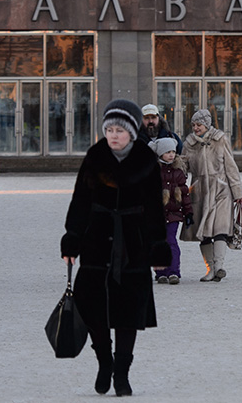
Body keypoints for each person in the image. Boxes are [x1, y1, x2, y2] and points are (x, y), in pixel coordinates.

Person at [61, 99, 170, 397]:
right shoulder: (94, 157)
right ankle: (104, 361)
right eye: (108, 129)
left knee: (128, 310)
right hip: (96, 240)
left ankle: (122, 371)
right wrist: (72, 237)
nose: (113, 135)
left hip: (133, 243)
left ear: (132, 133)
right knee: (93, 307)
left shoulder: (146, 162)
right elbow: (79, 201)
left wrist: (158, 246)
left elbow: (153, 209)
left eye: (119, 130)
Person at [180, 109, 242, 282]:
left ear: (206, 124)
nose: (195, 128)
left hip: (221, 189)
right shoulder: (189, 143)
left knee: (220, 228)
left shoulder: (220, 139)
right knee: (203, 232)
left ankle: (219, 266)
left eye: (199, 124)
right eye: (193, 125)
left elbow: (231, 166)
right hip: (199, 190)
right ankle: (210, 269)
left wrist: (237, 192)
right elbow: (183, 168)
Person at [149, 137, 192, 285]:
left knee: (171, 242)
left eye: (173, 151)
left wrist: (188, 213)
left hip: (174, 213)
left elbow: (185, 193)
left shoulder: (178, 172)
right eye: (168, 152)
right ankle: (161, 272)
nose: (171, 155)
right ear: (160, 153)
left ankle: (174, 272)